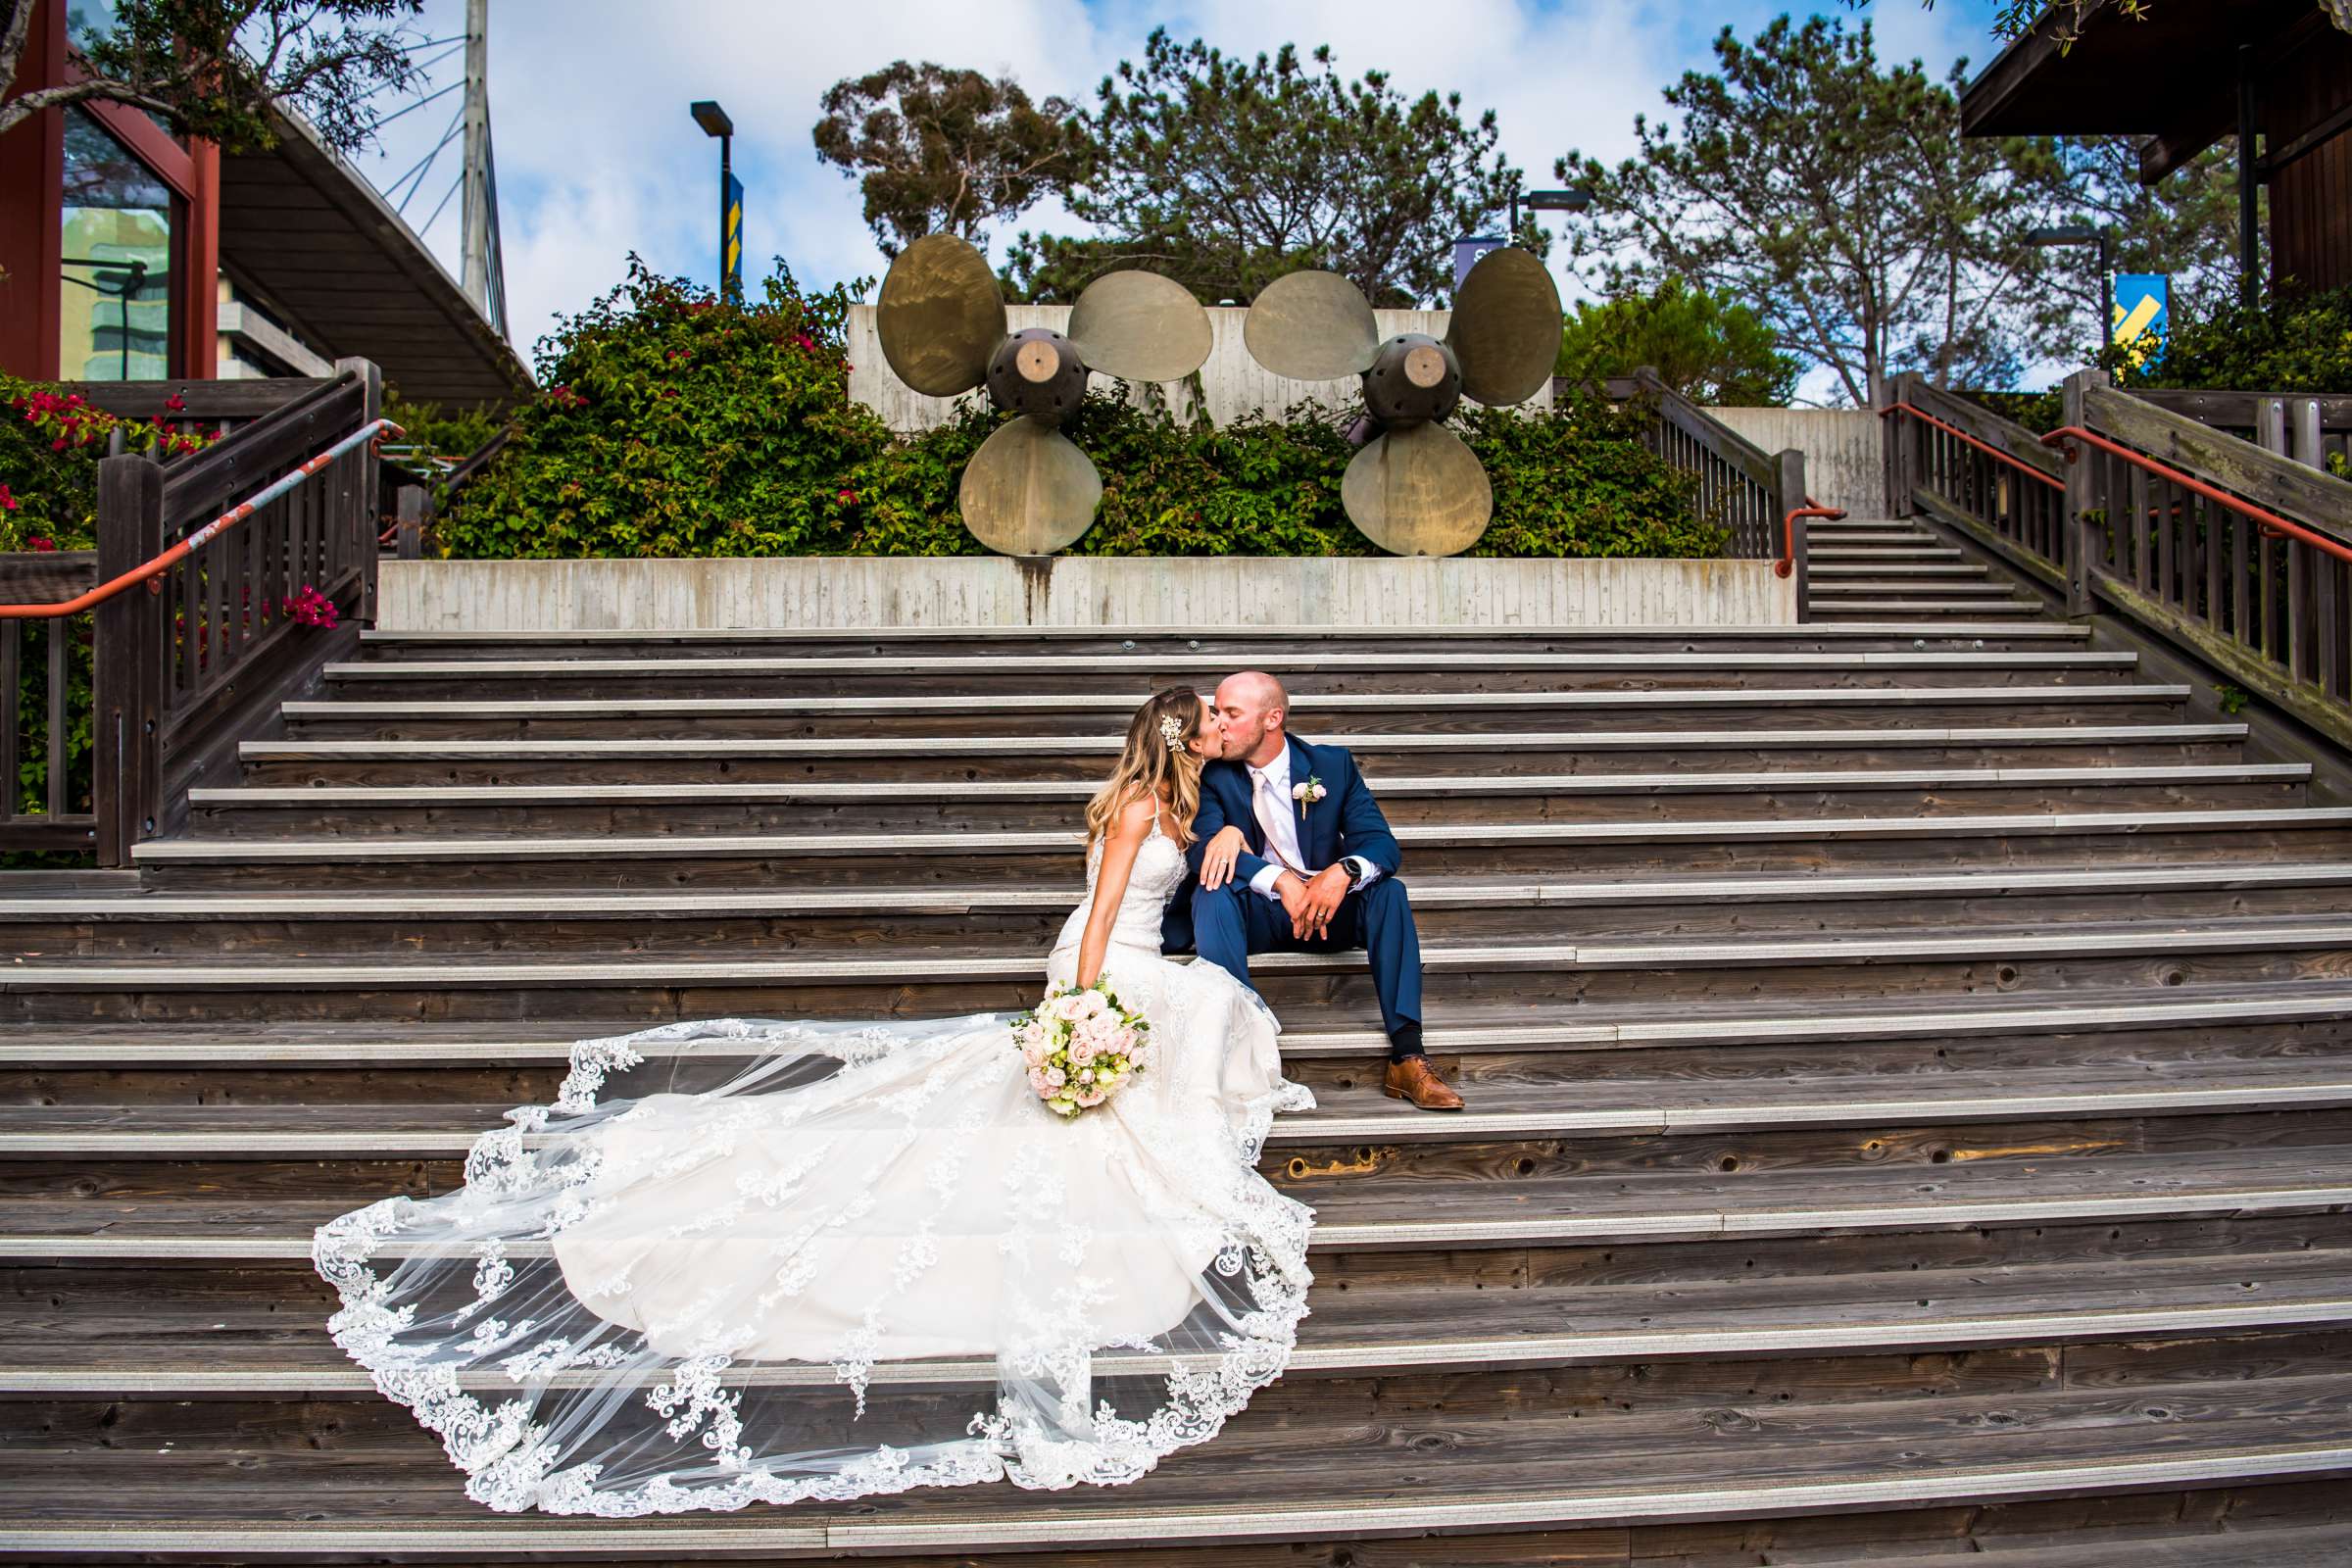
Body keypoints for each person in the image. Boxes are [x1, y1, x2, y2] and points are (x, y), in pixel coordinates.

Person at [312, 688, 1315, 1517]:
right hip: (1104, 960)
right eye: (1212, 721)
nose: (1225, 729)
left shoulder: (1173, 802)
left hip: (1129, 954)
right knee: (1201, 1005)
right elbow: (1101, 916)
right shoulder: (1143, 809)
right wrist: (1082, 1001)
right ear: (1185, 738)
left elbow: (1216, 819)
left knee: (1208, 1001)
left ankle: (1176, 1099)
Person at [1165, 671, 1461, 1111]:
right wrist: (1277, 879)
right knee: (1211, 889)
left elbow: (1380, 843)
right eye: (1217, 712)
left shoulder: (1331, 766)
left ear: (1272, 718)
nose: (1219, 723)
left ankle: (1408, 1057)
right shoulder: (1212, 775)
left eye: (1231, 713)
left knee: (1390, 893)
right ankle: (1240, 1051)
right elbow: (1202, 850)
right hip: (1258, 914)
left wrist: (1342, 872)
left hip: (1326, 913)